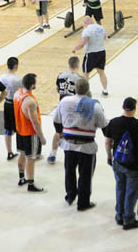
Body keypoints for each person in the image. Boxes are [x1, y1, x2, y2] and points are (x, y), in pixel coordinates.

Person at [53, 77, 107, 211]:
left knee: (69, 171)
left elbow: (56, 120)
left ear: (74, 89)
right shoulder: (95, 105)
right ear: (88, 90)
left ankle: (70, 195)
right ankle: (83, 203)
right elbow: (104, 125)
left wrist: (60, 133)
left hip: (68, 144)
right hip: (87, 146)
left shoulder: (64, 101)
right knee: (85, 175)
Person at [104, 97, 138, 230]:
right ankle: (129, 219)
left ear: (123, 107)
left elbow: (107, 142)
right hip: (135, 165)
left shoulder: (114, 122)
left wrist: (109, 156)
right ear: (134, 108)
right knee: (131, 192)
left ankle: (119, 215)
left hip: (118, 162)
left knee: (120, 188)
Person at [14, 73, 47, 192]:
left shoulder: (17, 93)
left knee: (22, 154)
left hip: (20, 130)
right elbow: (35, 122)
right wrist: (41, 136)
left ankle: (21, 177)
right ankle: (31, 184)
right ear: (33, 85)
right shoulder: (30, 101)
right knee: (31, 158)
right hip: (29, 133)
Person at [49, 56, 83, 164]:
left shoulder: (60, 76)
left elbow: (58, 89)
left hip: (61, 107)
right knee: (75, 133)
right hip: (73, 109)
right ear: (77, 65)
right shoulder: (80, 79)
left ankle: (52, 154)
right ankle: (74, 155)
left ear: (69, 64)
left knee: (58, 132)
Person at [72, 16, 109, 95]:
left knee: (86, 74)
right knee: (101, 72)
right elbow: (105, 37)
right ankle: (105, 90)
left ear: (85, 23)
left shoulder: (87, 30)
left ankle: (85, 91)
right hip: (101, 52)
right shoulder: (101, 28)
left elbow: (82, 43)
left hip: (91, 54)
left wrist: (75, 49)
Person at [0, 57, 21, 160]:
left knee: (8, 129)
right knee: (20, 128)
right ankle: (22, 150)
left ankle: (9, 152)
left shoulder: (2, 77)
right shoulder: (18, 79)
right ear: (16, 66)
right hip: (16, 105)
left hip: (7, 104)